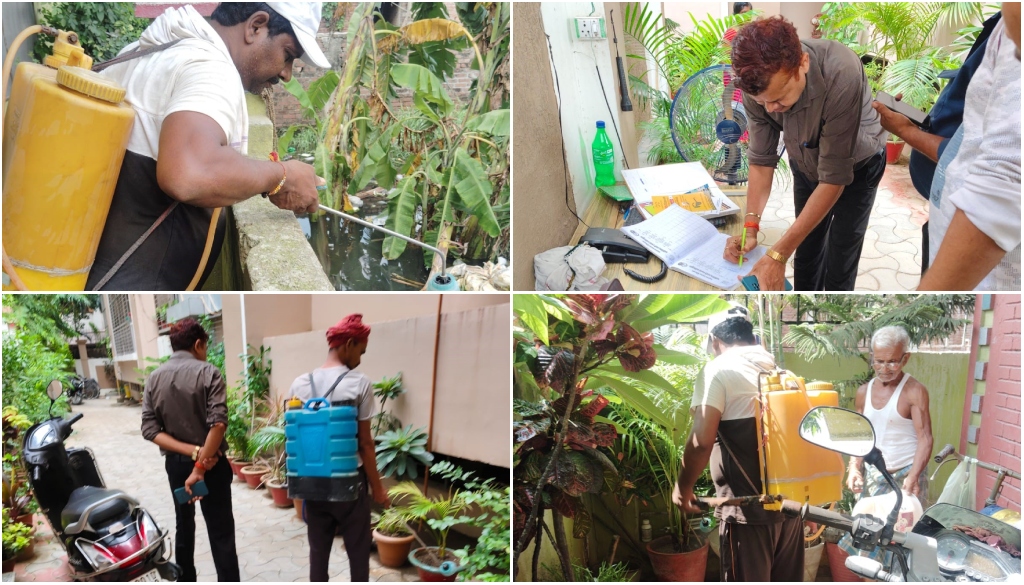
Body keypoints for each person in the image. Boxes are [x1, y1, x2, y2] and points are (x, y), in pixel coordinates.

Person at [87, 2, 328, 291]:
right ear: (255, 26)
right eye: (288, 55)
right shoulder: (210, 69)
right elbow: (189, 172)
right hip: (122, 279)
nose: (286, 74)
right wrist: (281, 176)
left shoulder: (149, 50)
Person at [724, 16, 888, 291]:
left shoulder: (841, 71)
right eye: (762, 102)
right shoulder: (758, 89)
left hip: (859, 164)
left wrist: (777, 254)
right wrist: (750, 227)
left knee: (842, 254)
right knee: (806, 248)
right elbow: (762, 161)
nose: (771, 109)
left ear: (803, 64)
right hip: (806, 160)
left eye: (779, 98)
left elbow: (835, 177)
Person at [672, 305, 804, 582]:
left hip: (747, 513)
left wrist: (683, 488)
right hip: (789, 510)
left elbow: (700, 442)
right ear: (752, 338)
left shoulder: (718, 370)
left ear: (716, 342)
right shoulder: (779, 371)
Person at [874, 12, 1003, 275]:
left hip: (968, 226)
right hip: (946, 210)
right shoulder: (1001, 25)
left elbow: (976, 157)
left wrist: (905, 130)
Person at [915, 3, 1020, 291]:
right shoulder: (1002, 25)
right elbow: (971, 142)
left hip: (984, 275)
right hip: (949, 240)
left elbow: (1004, 183)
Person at [287, 314, 390, 582]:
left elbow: (297, 439)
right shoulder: (359, 383)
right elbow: (366, 444)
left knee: (318, 554)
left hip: (313, 485)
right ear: (349, 344)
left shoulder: (299, 384)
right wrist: (377, 488)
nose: (360, 359)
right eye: (361, 351)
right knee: (358, 554)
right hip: (349, 486)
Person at [141, 318, 239, 582]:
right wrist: (200, 461)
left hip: (177, 469)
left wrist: (190, 453)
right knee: (220, 532)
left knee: (184, 525)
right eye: (205, 347)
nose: (205, 353)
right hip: (211, 468)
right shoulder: (209, 373)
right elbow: (218, 425)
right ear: (198, 344)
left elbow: (149, 429)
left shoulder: (154, 378)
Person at [839, 325, 934, 563]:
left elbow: (925, 438)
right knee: (866, 543)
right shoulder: (864, 392)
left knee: (902, 547)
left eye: (892, 362)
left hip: (906, 475)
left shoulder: (915, 391)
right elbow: (860, 435)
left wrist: (913, 477)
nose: (884, 368)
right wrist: (854, 467)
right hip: (875, 473)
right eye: (879, 361)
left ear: (906, 358)